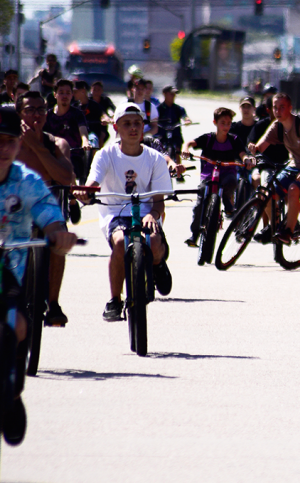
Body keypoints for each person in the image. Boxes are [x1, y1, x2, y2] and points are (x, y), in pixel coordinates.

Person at [0, 108, 78, 445]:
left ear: (18, 145)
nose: (4, 148)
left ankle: (12, 393)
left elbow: (47, 209)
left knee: (18, 326)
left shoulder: (26, 180)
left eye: (10, 142)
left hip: (7, 269)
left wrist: (57, 231)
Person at [73, 103, 174, 320]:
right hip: (114, 213)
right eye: (127, 123)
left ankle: (157, 263)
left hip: (145, 211)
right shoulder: (105, 155)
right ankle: (115, 300)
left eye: (137, 123)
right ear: (116, 128)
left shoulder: (155, 158)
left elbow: (158, 201)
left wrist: (152, 215)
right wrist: (85, 192)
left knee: (154, 243)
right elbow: (93, 182)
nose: (133, 128)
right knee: (120, 243)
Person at [15, 91, 76, 326]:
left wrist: (38, 147)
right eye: (29, 110)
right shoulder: (9, 143)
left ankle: (53, 302)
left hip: (45, 210)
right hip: (12, 209)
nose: (36, 115)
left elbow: (65, 176)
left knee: (59, 240)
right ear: (19, 114)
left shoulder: (56, 143)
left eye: (41, 109)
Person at [249, 92, 300, 243]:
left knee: (293, 190)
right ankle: (274, 226)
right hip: (293, 166)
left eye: (282, 107)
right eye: (275, 108)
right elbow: (261, 146)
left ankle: (289, 231)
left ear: (290, 108)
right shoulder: (277, 126)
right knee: (266, 191)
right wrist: (253, 150)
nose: (278, 111)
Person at [181, 107, 256, 247]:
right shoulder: (208, 139)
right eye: (223, 123)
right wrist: (185, 149)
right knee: (200, 202)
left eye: (228, 123)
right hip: (208, 174)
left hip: (227, 173)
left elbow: (242, 153)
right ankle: (194, 235)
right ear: (215, 122)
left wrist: (246, 159)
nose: (226, 126)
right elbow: (190, 143)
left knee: (232, 181)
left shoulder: (234, 140)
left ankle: (228, 202)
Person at [43, 80, 90, 186]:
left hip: (73, 156)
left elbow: (83, 130)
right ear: (55, 95)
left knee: (70, 172)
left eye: (68, 93)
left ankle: (73, 200)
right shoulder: (47, 115)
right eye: (61, 92)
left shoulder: (77, 114)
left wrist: (85, 142)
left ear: (72, 95)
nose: (65, 96)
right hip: (52, 157)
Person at [156, 85, 190, 180]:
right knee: (159, 148)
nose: (173, 96)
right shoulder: (159, 108)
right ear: (165, 94)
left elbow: (184, 116)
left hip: (175, 133)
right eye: (171, 94)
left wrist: (187, 120)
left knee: (177, 149)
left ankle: (179, 170)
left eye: (174, 94)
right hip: (163, 132)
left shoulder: (178, 108)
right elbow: (153, 118)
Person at [73, 81, 106, 147]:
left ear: (83, 91)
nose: (73, 94)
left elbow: (103, 115)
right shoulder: (74, 106)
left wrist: (106, 119)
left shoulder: (94, 105)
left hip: (93, 132)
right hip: (78, 133)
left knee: (94, 142)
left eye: (75, 92)